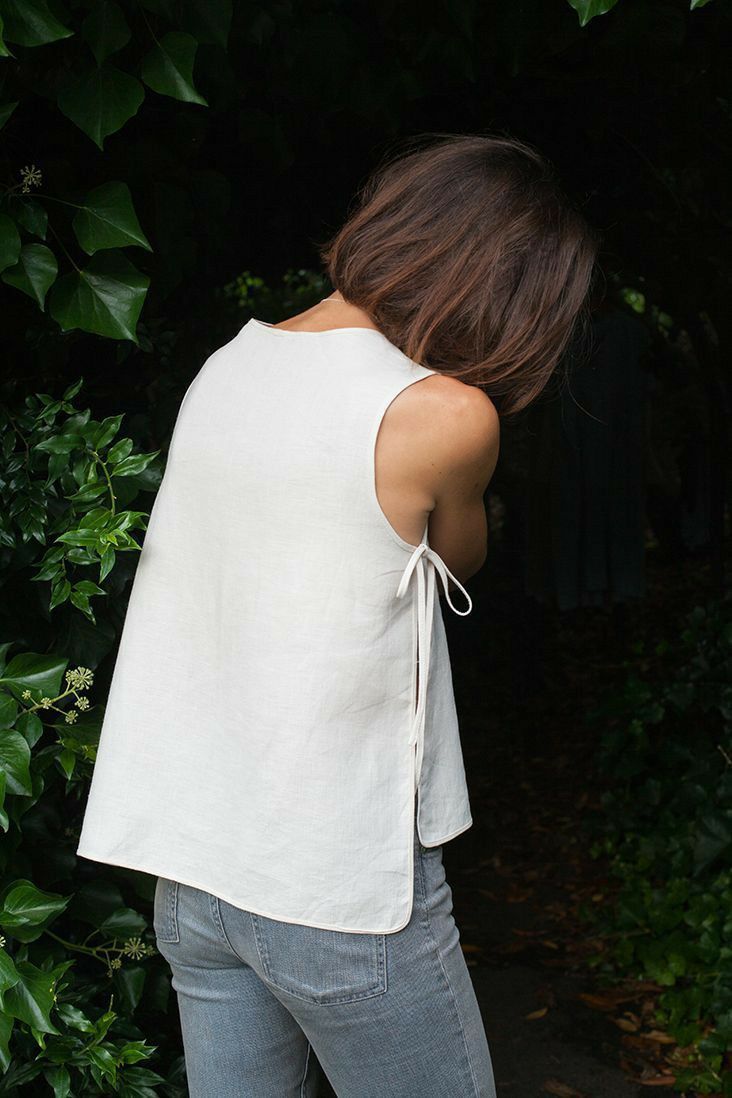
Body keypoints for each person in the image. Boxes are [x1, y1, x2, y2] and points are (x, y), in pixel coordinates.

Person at [76, 132, 599, 1097]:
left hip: (195, 874)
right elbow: (461, 555)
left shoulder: (227, 367)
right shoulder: (443, 413)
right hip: (338, 891)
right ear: (502, 285)